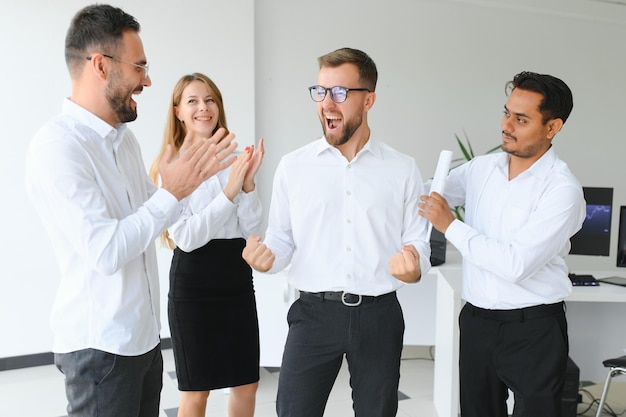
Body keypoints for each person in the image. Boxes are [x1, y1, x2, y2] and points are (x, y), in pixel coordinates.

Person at [24, 5, 237, 417]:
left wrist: (221, 186)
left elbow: (167, 219)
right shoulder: (59, 147)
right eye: (139, 67)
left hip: (142, 343)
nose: (148, 79)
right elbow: (106, 251)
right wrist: (172, 191)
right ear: (101, 66)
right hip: (100, 351)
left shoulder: (124, 141)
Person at [242, 47, 431, 417]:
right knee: (293, 410)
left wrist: (414, 267)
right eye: (321, 91)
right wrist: (268, 258)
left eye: (340, 93)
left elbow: (417, 244)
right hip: (313, 314)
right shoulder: (293, 166)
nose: (327, 103)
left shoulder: (403, 169)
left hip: (379, 315)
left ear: (368, 100)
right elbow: (281, 238)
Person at [419, 71, 586, 417]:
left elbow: (515, 264)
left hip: (534, 330)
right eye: (506, 112)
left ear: (552, 127)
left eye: (521, 119)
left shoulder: (562, 190)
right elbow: (426, 194)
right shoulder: (482, 168)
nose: (507, 125)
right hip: (478, 322)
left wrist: (449, 225)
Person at [149, 73, 265, 417]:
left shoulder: (232, 158)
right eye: (193, 101)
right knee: (197, 391)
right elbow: (186, 237)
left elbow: (253, 230)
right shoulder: (169, 167)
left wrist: (247, 185)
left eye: (210, 99)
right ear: (178, 111)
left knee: (246, 384)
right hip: (194, 286)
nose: (204, 107)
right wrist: (229, 192)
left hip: (236, 279)